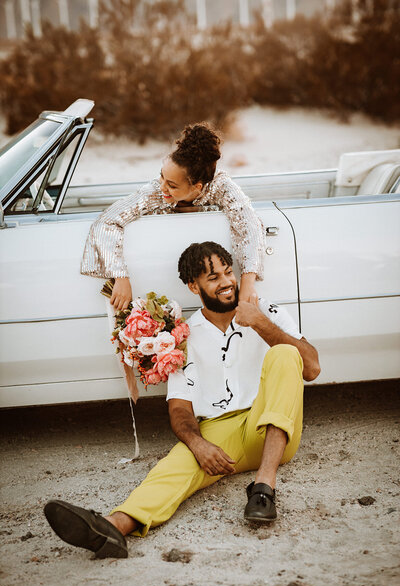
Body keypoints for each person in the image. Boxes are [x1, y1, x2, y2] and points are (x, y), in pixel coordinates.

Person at [44, 241, 320, 559]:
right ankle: (110, 528)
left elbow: (311, 367)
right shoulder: (182, 336)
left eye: (229, 272)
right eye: (213, 277)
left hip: (271, 428)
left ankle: (263, 489)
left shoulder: (267, 311)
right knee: (173, 467)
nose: (227, 282)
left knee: (286, 353)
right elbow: (179, 409)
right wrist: (198, 444)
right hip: (218, 433)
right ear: (193, 286)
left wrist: (258, 321)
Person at [80, 123, 265, 309]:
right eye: (161, 177)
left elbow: (250, 227)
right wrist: (120, 277)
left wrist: (248, 283)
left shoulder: (223, 188)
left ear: (197, 187)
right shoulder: (156, 191)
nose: (162, 187)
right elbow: (107, 221)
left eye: (172, 185)